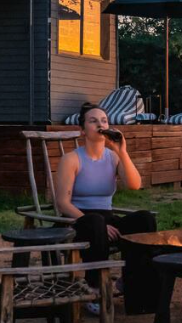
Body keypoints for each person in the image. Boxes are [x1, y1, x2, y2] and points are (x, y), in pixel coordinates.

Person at [55, 103, 155, 303]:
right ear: (82, 130)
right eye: (93, 121)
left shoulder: (113, 157)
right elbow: (62, 203)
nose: (100, 124)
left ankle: (133, 288)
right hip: (78, 220)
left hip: (106, 218)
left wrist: (122, 151)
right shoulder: (72, 159)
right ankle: (95, 291)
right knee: (96, 222)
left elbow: (135, 185)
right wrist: (99, 224)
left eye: (104, 120)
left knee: (145, 218)